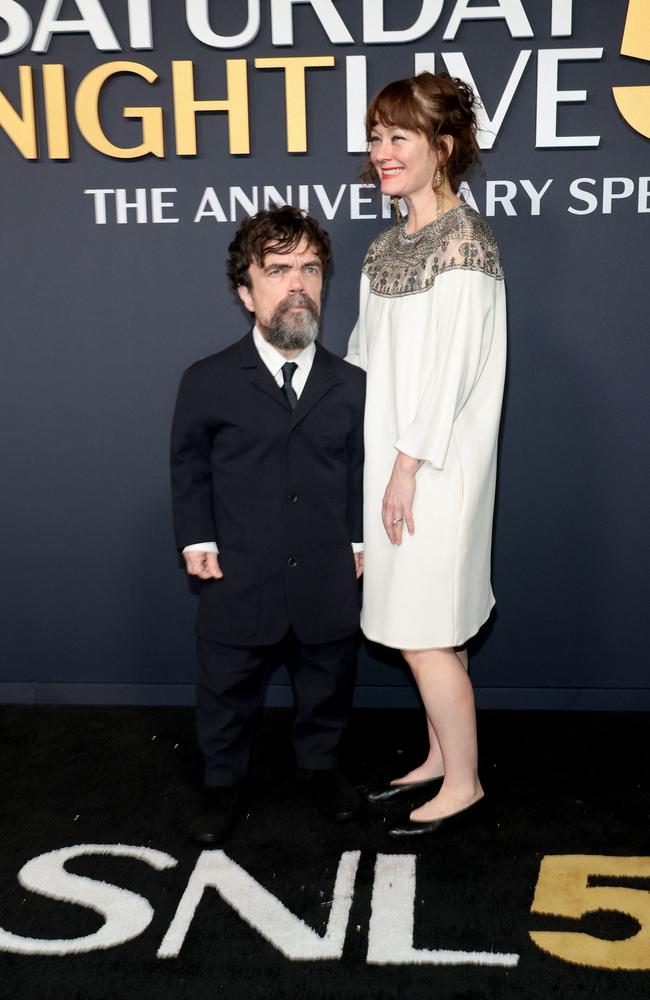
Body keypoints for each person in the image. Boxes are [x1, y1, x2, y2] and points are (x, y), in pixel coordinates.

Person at [171, 204, 365, 843]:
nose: (297, 284)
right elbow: (190, 465)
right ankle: (222, 783)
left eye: (310, 268)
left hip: (325, 570)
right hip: (238, 574)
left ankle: (321, 768)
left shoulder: (353, 385)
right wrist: (196, 537)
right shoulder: (206, 380)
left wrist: (360, 541)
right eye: (278, 270)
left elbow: (362, 467)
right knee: (225, 688)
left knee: (327, 680)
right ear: (246, 291)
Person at [346, 72, 506, 837]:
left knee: (423, 632)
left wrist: (406, 470)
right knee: (432, 627)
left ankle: (465, 782)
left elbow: (452, 374)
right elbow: (363, 356)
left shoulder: (467, 245)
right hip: (393, 465)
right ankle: (444, 756)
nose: (381, 150)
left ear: (442, 148)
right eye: (376, 135)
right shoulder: (386, 245)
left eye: (398, 135)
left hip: (436, 472)